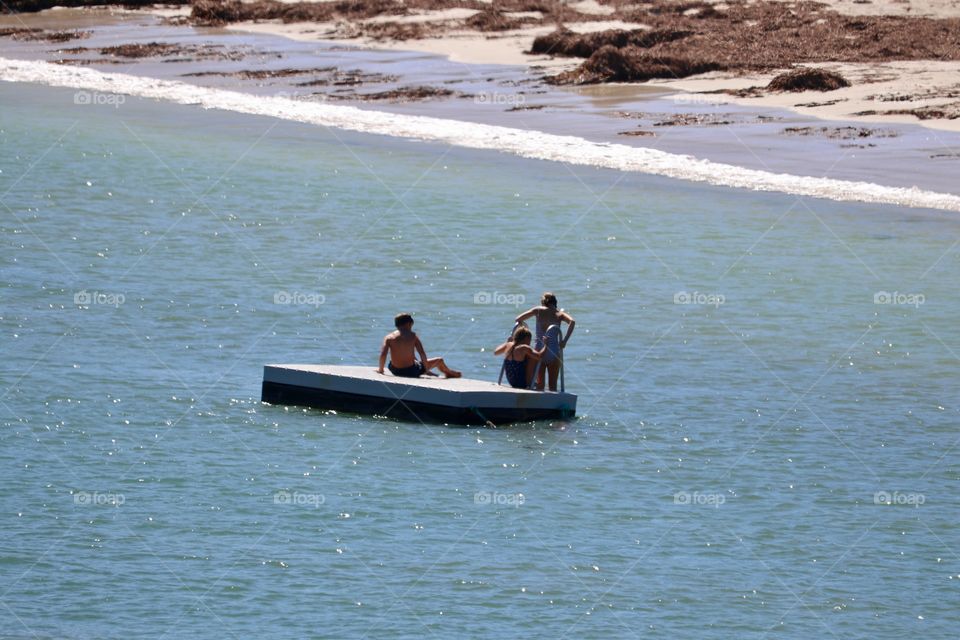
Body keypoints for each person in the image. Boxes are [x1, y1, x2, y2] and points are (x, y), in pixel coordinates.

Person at [515, 292, 575, 391]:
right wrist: (564, 341)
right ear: (555, 302)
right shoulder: (559, 314)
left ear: (543, 302)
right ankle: (551, 405)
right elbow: (572, 322)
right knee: (553, 386)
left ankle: (539, 405)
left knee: (540, 385)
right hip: (554, 352)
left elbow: (518, 319)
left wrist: (525, 332)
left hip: (539, 351)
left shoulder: (538, 310)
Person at [377, 313, 461, 378]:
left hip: (394, 370)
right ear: (409, 324)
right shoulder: (413, 336)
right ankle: (449, 373)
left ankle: (446, 372)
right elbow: (422, 354)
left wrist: (381, 370)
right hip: (411, 371)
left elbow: (383, 354)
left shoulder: (388, 337)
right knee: (440, 360)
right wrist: (427, 370)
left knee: (412, 357)